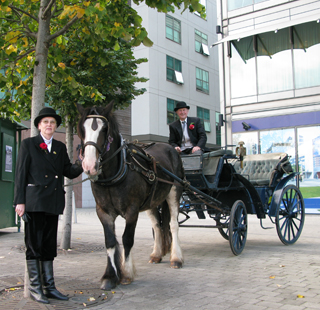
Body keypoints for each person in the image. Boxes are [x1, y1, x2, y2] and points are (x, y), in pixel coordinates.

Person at [13, 107, 83, 304]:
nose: (49, 125)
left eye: (52, 122)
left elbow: (67, 170)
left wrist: (81, 164)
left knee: (49, 246)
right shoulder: (29, 144)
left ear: (56, 126)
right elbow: (20, 174)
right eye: (45, 122)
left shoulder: (60, 147)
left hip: (53, 202)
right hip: (34, 202)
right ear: (38, 125)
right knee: (34, 246)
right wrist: (19, 201)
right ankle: (36, 288)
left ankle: (49, 287)